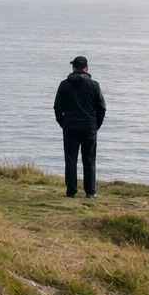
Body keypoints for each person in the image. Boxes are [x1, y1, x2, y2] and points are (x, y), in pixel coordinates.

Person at [53, 55, 106, 198]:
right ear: (86, 68)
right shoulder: (94, 85)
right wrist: (96, 125)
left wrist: (63, 123)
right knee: (89, 159)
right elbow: (101, 108)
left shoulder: (64, 85)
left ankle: (71, 191)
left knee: (70, 159)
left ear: (73, 68)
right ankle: (90, 191)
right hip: (89, 127)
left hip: (70, 126)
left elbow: (57, 107)